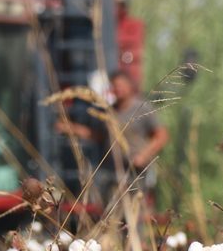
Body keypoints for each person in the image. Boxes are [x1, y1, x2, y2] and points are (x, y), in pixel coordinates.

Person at [57, 70, 169, 198]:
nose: (118, 89)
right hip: (112, 171)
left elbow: (161, 136)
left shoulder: (142, 108)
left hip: (134, 172)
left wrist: (144, 155)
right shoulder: (109, 111)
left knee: (133, 209)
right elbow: (98, 135)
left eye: (121, 85)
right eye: (115, 86)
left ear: (130, 86)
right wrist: (71, 128)